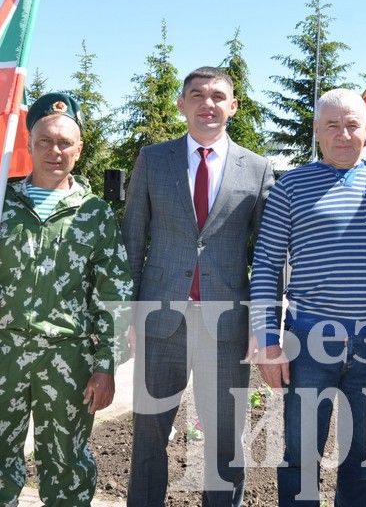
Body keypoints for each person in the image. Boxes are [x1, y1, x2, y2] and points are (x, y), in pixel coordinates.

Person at [0, 92, 133, 506]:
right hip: (1, 354)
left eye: (65, 142)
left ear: (79, 149)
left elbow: (115, 298)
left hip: (68, 361)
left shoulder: (95, 214)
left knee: (67, 467)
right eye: (45, 140)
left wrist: (106, 367)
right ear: (29, 145)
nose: (55, 150)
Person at [250, 88, 366, 506]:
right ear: (317, 131)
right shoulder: (291, 185)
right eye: (333, 126)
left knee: (365, 460)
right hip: (308, 343)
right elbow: (267, 265)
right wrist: (268, 342)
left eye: (353, 125)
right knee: (300, 457)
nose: (344, 135)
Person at [124, 66, 274, 507]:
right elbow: (133, 240)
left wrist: (262, 326)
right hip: (160, 320)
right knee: (150, 434)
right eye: (196, 95)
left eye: (217, 96)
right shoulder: (153, 160)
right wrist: (127, 317)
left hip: (227, 327)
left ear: (233, 106)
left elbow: (265, 257)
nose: (207, 103)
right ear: (181, 104)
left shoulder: (259, 168)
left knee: (226, 439)